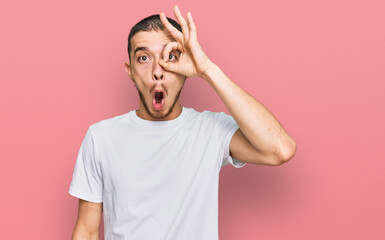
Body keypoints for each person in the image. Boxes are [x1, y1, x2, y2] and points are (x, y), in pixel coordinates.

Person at [69, 5, 296, 240]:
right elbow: (86, 230)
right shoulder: (101, 137)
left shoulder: (210, 131)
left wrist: (208, 69)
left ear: (185, 68)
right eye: (144, 58)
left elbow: (280, 149)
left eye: (170, 57)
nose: (158, 71)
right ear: (131, 71)